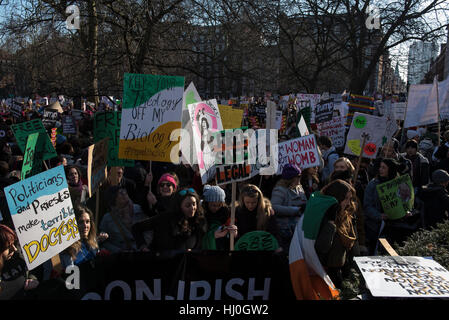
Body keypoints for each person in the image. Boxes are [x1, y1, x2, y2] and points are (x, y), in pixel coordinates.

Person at [314, 179, 359, 289]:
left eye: (350, 199)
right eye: (345, 199)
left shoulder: (346, 215)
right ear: (336, 197)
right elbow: (322, 248)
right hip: (325, 273)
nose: (348, 202)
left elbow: (351, 245)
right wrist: (331, 223)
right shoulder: (322, 216)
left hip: (341, 269)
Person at [132, 188, 208, 252]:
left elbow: (199, 245)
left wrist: (193, 251)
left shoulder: (199, 221)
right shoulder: (165, 218)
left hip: (186, 265)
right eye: (187, 205)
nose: (192, 208)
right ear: (179, 206)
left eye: (194, 204)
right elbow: (136, 228)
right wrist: (143, 246)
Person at [363, 158, 403, 255]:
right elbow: (367, 206)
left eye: (384, 168)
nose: (380, 169)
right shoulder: (373, 184)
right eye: (380, 167)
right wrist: (379, 215)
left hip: (393, 226)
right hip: (374, 226)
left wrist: (404, 211)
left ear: (391, 169)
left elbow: (403, 201)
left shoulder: (398, 184)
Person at [99, 186, 148, 253]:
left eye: (125, 191)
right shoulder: (107, 219)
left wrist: (144, 246)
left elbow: (149, 230)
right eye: (121, 193)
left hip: (143, 254)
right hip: (123, 259)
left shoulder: (139, 210)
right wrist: (119, 251)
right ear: (114, 198)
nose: (125, 194)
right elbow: (104, 242)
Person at [270, 164, 308, 252]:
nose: (300, 178)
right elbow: (274, 207)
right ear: (291, 178)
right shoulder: (280, 190)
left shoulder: (299, 188)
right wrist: (296, 210)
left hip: (299, 228)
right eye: (298, 176)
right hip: (286, 230)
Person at [1, 224, 39, 299]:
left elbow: (32, 267)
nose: (14, 249)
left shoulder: (17, 253)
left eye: (13, 243)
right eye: (8, 247)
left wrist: (32, 278)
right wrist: (20, 287)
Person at [201, 185, 237, 250]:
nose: (216, 208)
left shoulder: (226, 212)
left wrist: (233, 232)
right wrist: (213, 235)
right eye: (213, 205)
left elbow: (230, 227)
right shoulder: (202, 214)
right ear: (207, 203)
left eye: (219, 205)